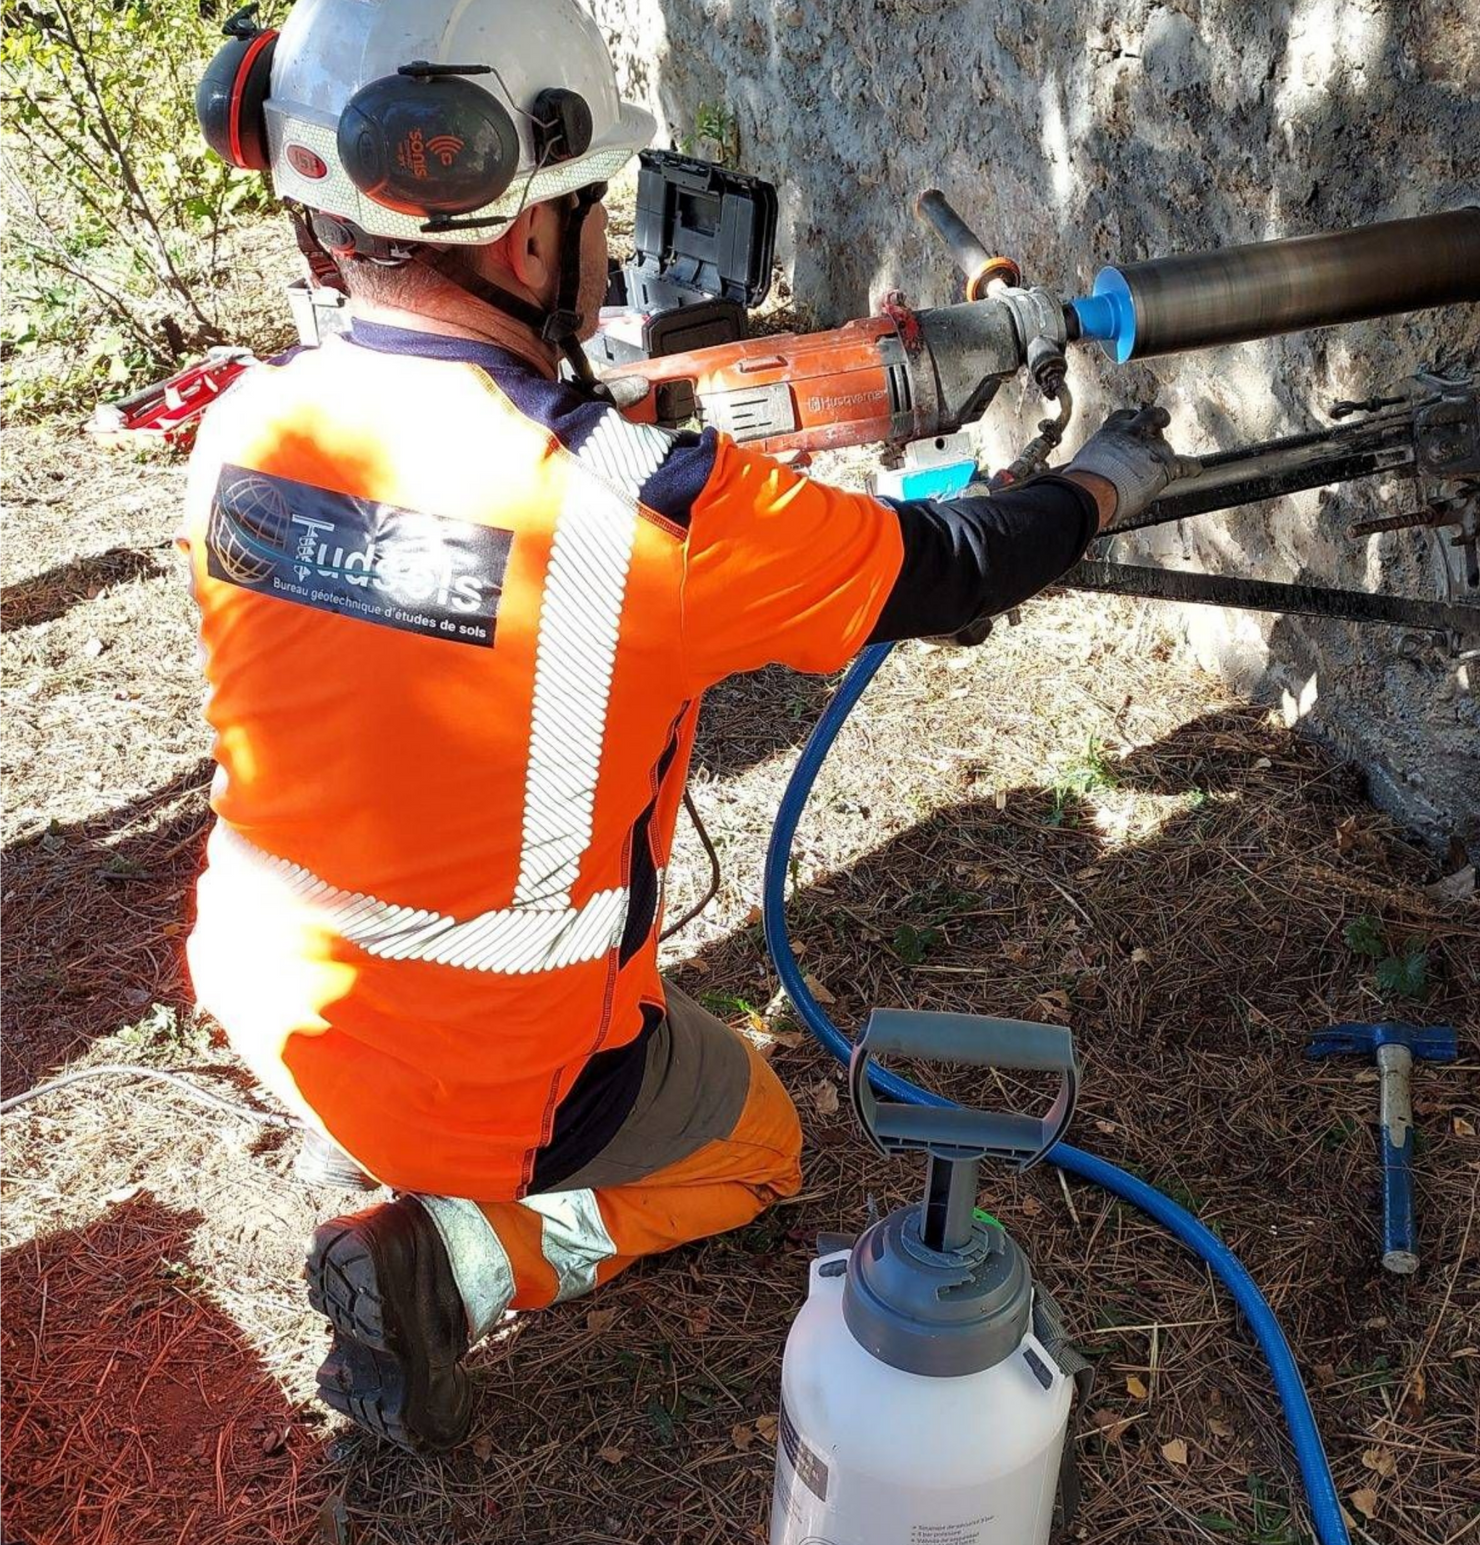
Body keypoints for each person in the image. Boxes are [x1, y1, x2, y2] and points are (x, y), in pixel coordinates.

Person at [181, 0, 1190, 1453]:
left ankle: (427, 1167)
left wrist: (600, 413)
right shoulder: (641, 506)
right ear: (529, 241)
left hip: (271, 996)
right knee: (761, 1146)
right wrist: (1099, 483)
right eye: (594, 205)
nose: (609, 241)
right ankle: (466, 1262)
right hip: (492, 1086)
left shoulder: (244, 426)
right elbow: (950, 565)